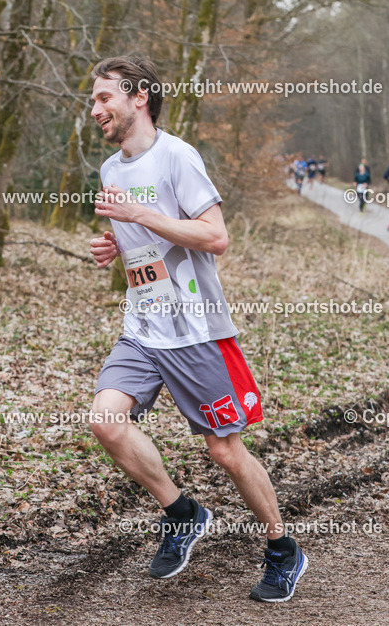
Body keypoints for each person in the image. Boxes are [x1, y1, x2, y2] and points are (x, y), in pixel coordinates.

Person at [87, 55, 308, 603]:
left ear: (138, 97)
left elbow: (214, 236)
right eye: (93, 101)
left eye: (103, 98)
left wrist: (140, 219)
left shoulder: (177, 157)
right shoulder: (111, 171)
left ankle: (284, 549)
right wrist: (115, 246)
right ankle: (182, 512)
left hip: (197, 330)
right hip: (144, 327)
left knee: (225, 451)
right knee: (106, 422)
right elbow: (150, 243)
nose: (95, 110)